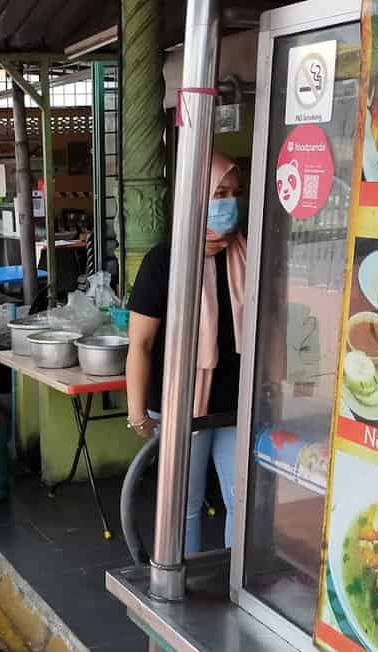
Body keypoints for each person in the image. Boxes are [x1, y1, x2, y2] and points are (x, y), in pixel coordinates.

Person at [125, 151, 248, 552]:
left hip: (235, 405)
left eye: (233, 193)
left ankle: (234, 587)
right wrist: (136, 413)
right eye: (218, 193)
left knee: (241, 503)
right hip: (179, 404)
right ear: (195, 198)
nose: (228, 203)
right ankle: (185, 588)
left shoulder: (249, 254)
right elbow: (140, 344)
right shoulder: (165, 261)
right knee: (185, 506)